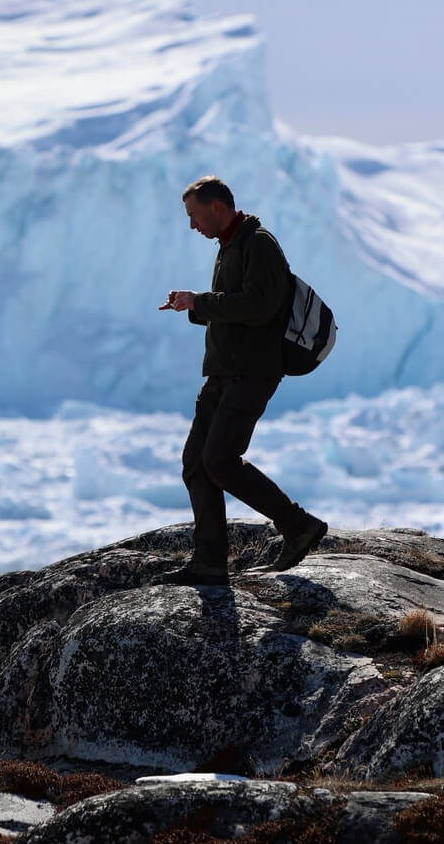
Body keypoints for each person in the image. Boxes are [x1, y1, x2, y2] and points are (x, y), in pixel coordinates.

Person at [156, 175, 329, 585]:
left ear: (218, 207)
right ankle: (209, 560)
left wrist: (201, 301)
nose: (192, 225)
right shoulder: (230, 246)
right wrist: (194, 305)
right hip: (222, 373)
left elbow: (259, 306)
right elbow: (235, 308)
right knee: (197, 464)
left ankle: (298, 524)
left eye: (195, 215)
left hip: (251, 373)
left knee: (219, 459)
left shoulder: (259, 244)